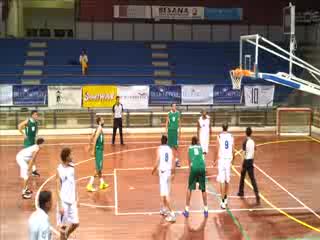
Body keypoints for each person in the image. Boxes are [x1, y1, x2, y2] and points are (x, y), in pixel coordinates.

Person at [56, 148, 79, 240]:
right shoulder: (59, 169)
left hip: (72, 201)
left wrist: (78, 197)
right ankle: (63, 237)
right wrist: (60, 205)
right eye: (70, 154)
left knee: (76, 223)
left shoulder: (73, 166)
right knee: (63, 227)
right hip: (64, 201)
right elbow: (57, 188)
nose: (72, 156)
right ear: (66, 157)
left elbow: (74, 182)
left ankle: (66, 236)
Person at [152, 135, 176, 223]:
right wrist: (174, 173)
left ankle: (172, 214)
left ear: (161, 141)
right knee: (165, 193)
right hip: (169, 172)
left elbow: (157, 160)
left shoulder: (159, 149)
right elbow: (173, 162)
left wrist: (153, 170)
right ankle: (164, 209)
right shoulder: (170, 149)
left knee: (165, 195)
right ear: (167, 141)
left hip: (163, 173)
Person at [182, 136, 208, 218]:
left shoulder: (189, 148)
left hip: (194, 168)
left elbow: (189, 161)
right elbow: (203, 157)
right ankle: (206, 210)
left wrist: (190, 170)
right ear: (197, 142)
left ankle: (186, 210)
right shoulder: (200, 147)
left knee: (190, 188)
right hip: (202, 167)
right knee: (203, 189)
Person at [214, 124, 235, 209]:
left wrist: (214, 160)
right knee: (227, 180)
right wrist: (233, 160)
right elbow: (233, 149)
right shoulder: (231, 136)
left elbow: (216, 149)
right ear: (227, 128)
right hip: (228, 160)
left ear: (222, 128)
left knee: (222, 181)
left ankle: (222, 201)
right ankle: (225, 198)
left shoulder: (219, 136)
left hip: (222, 160)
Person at [237, 127, 260, 205]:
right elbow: (255, 150)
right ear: (251, 133)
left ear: (245, 133)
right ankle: (257, 194)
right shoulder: (253, 142)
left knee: (242, 176)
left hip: (246, 161)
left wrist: (241, 164)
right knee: (252, 179)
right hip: (251, 161)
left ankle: (241, 191)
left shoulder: (245, 142)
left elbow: (243, 153)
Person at [86, 116, 109, 192]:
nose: (104, 120)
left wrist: (89, 145)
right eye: (102, 120)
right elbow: (95, 138)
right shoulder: (99, 128)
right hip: (98, 150)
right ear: (99, 122)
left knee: (99, 168)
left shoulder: (97, 128)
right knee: (97, 168)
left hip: (99, 150)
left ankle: (102, 183)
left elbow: (91, 137)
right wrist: (93, 150)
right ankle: (89, 185)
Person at [18, 110, 40, 177]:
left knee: (33, 157)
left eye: (37, 115)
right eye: (36, 115)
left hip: (33, 142)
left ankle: (33, 171)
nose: (37, 116)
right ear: (32, 115)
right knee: (28, 157)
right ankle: (27, 170)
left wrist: (36, 136)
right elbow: (19, 126)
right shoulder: (28, 121)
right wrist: (23, 134)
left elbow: (37, 130)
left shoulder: (36, 122)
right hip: (27, 142)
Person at [165, 103, 181, 167]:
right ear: (171, 107)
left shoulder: (178, 113)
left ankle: (177, 161)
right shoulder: (169, 114)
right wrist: (166, 132)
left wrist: (180, 131)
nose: (175, 107)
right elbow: (166, 123)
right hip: (170, 131)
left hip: (175, 131)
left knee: (176, 147)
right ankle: (168, 161)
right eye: (173, 106)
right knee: (169, 147)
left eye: (175, 106)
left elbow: (179, 123)